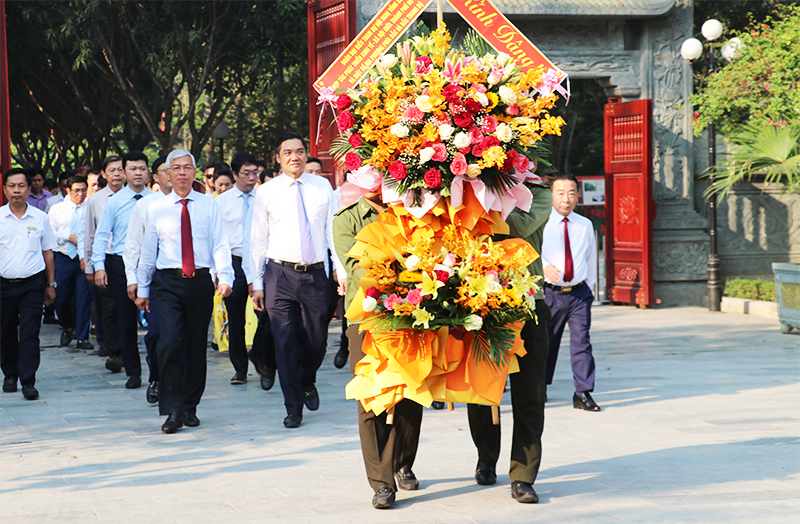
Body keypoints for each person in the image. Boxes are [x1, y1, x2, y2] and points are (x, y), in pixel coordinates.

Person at [333, 183, 423, 509]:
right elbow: (359, 269)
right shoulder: (346, 219)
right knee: (369, 396)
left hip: (412, 309)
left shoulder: (414, 208)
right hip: (366, 314)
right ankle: (381, 482)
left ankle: (402, 462)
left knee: (411, 392)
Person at [250, 132, 346, 428]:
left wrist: (339, 269)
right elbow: (257, 237)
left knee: (316, 341)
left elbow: (333, 231)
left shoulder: (322, 187)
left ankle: (308, 380)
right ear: (278, 159)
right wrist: (256, 282)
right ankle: (293, 407)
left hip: (316, 274)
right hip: (279, 274)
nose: (295, 156)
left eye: (300, 151)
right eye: (288, 152)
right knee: (285, 340)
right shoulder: (267, 191)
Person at [467, 171, 551, 504]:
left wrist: (475, 200)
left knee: (530, 393)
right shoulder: (469, 186)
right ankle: (486, 457)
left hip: (528, 302)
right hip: (483, 300)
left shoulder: (539, 193)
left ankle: (523, 475)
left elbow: (514, 228)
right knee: (482, 389)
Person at [135, 149, 234, 434]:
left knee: (194, 347)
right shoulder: (156, 208)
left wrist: (224, 276)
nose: (181, 173)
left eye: (187, 168)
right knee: (168, 343)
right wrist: (142, 288)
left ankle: (190, 405)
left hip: (200, 281)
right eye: (175, 168)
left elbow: (220, 244)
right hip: (166, 283)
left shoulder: (208, 205)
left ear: (195, 172)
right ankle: (172, 409)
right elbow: (147, 252)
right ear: (167, 173)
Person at [92, 151, 153, 389]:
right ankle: (133, 371)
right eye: (133, 169)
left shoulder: (156, 200)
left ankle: (156, 368)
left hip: (149, 264)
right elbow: (101, 236)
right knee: (125, 320)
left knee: (154, 321)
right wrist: (99, 266)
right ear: (125, 172)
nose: (138, 173)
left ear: (148, 172)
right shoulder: (114, 202)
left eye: (142, 168)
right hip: (118, 265)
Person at [542, 173, 600, 412]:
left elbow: (591, 257)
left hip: (578, 294)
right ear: (552, 195)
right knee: (546, 343)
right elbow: (530, 252)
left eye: (571, 193)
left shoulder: (584, 225)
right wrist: (544, 266)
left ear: (578, 196)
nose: (566, 199)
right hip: (550, 294)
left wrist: (591, 287)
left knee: (582, 342)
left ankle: (583, 392)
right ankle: (540, 387)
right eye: (561, 193)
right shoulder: (541, 222)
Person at [1, 168, 57, 400]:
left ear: (29, 188)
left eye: (21, 186)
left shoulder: (41, 218)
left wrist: (51, 284)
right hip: (3, 285)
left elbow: (48, 254)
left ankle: (28, 380)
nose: (17, 190)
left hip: (32, 285)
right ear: (4, 189)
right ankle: (10, 374)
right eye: (12, 186)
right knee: (4, 332)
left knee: (30, 332)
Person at [123, 156, 171, 404]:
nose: (174, 174)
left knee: (181, 336)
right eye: (167, 170)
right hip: (154, 280)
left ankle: (179, 385)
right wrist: (134, 281)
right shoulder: (146, 206)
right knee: (156, 334)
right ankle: (156, 376)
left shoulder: (198, 204)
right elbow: (133, 246)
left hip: (188, 279)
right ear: (156, 176)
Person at [215, 153, 260, 385]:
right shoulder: (221, 202)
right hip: (233, 263)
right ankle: (240, 368)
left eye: (255, 173)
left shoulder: (264, 197)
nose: (252, 178)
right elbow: (216, 238)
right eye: (246, 173)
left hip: (260, 262)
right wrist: (218, 270)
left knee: (266, 314)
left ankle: (261, 356)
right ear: (235, 175)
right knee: (235, 316)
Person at [82, 156, 124, 367]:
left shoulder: (137, 197)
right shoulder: (96, 200)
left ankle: (128, 347)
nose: (116, 173)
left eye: (120, 169)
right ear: (104, 174)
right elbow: (90, 233)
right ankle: (115, 351)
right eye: (112, 170)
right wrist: (90, 265)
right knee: (108, 308)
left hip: (132, 260)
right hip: (105, 261)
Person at [48, 175, 93, 350]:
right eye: (77, 190)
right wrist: (68, 237)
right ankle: (68, 326)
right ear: (67, 190)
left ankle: (83, 337)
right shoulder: (57, 209)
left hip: (84, 259)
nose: (81, 194)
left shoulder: (90, 208)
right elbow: (50, 233)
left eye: (84, 189)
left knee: (83, 298)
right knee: (62, 298)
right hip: (63, 257)